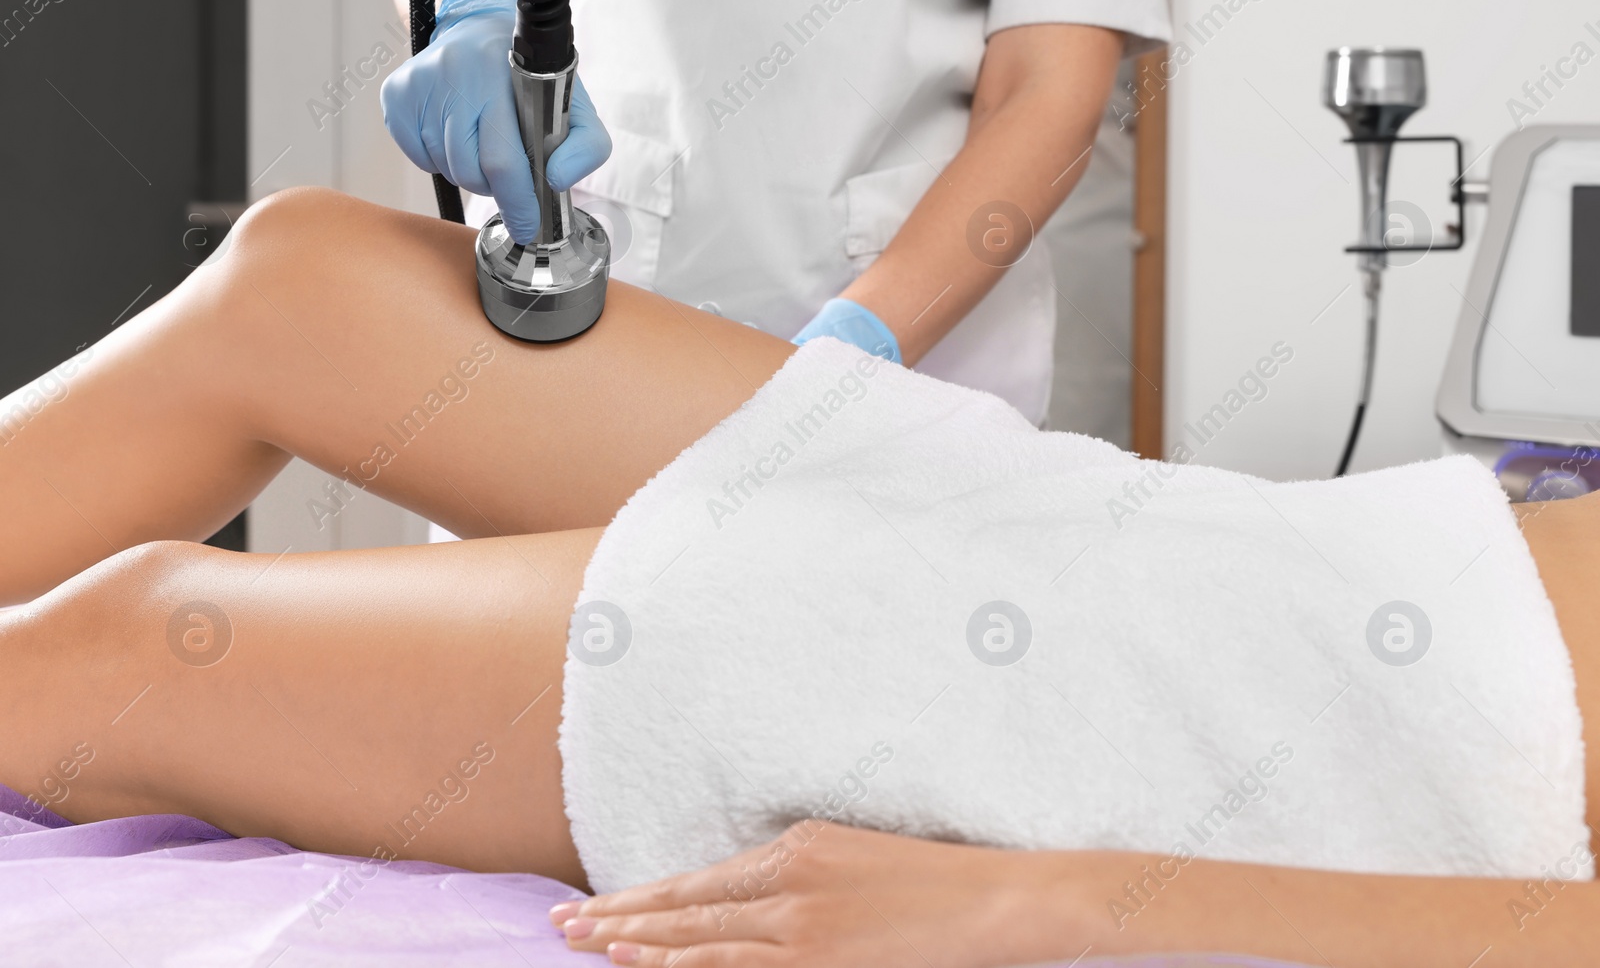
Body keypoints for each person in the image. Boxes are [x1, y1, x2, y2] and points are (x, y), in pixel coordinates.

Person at [0, 187, 1597, 967]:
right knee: (304, 281)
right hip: (1216, 552)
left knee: (127, 648)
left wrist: (1044, 893)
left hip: (1181, 723)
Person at [382, 0, 1171, 424]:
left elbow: (1044, 87)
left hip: (922, 344)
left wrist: (857, 346)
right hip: (591, 303)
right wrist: (471, 12)